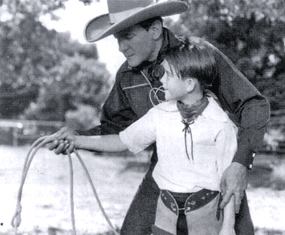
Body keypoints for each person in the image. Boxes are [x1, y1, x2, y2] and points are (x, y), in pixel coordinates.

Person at [46, 1, 270, 234]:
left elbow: (253, 104)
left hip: (218, 172)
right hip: (164, 174)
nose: (122, 47)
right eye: (118, 40)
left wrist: (240, 164)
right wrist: (77, 138)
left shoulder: (197, 56)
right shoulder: (126, 76)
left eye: (128, 36)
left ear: (154, 30)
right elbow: (116, 129)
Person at [50, 40, 237, 235]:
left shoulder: (220, 123)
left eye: (167, 75)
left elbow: (229, 181)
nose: (161, 80)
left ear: (189, 84)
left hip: (205, 216)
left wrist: (228, 226)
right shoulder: (160, 114)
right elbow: (122, 140)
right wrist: (78, 140)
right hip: (166, 214)